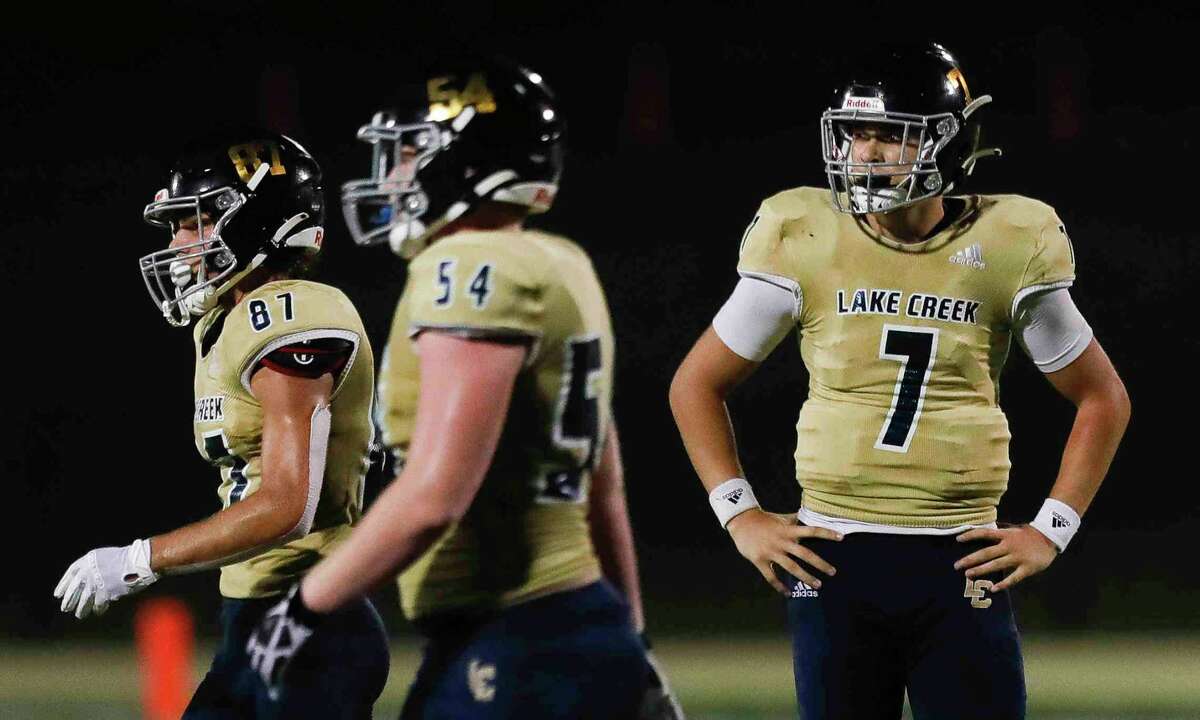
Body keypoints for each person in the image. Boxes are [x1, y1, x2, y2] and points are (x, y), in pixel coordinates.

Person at [669, 43, 1130, 719]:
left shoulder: (1008, 241)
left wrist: (1050, 529)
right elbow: (695, 385)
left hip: (963, 557)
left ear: (947, 142)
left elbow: (1102, 396)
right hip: (832, 557)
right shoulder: (805, 234)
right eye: (856, 134)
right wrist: (739, 514)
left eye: (891, 135)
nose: (866, 153)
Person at [245, 61, 683, 719]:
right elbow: (604, 483)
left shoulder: (467, 266)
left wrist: (304, 607)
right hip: (576, 624)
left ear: (466, 161)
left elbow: (433, 496)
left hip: (517, 638)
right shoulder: (563, 262)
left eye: (409, 155)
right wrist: (633, 636)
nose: (391, 177)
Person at [53, 128, 389, 717]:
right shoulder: (225, 325)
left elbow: (289, 505)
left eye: (196, 222)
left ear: (257, 220)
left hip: (312, 625)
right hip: (257, 619)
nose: (180, 243)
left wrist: (140, 560)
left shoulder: (288, 311)